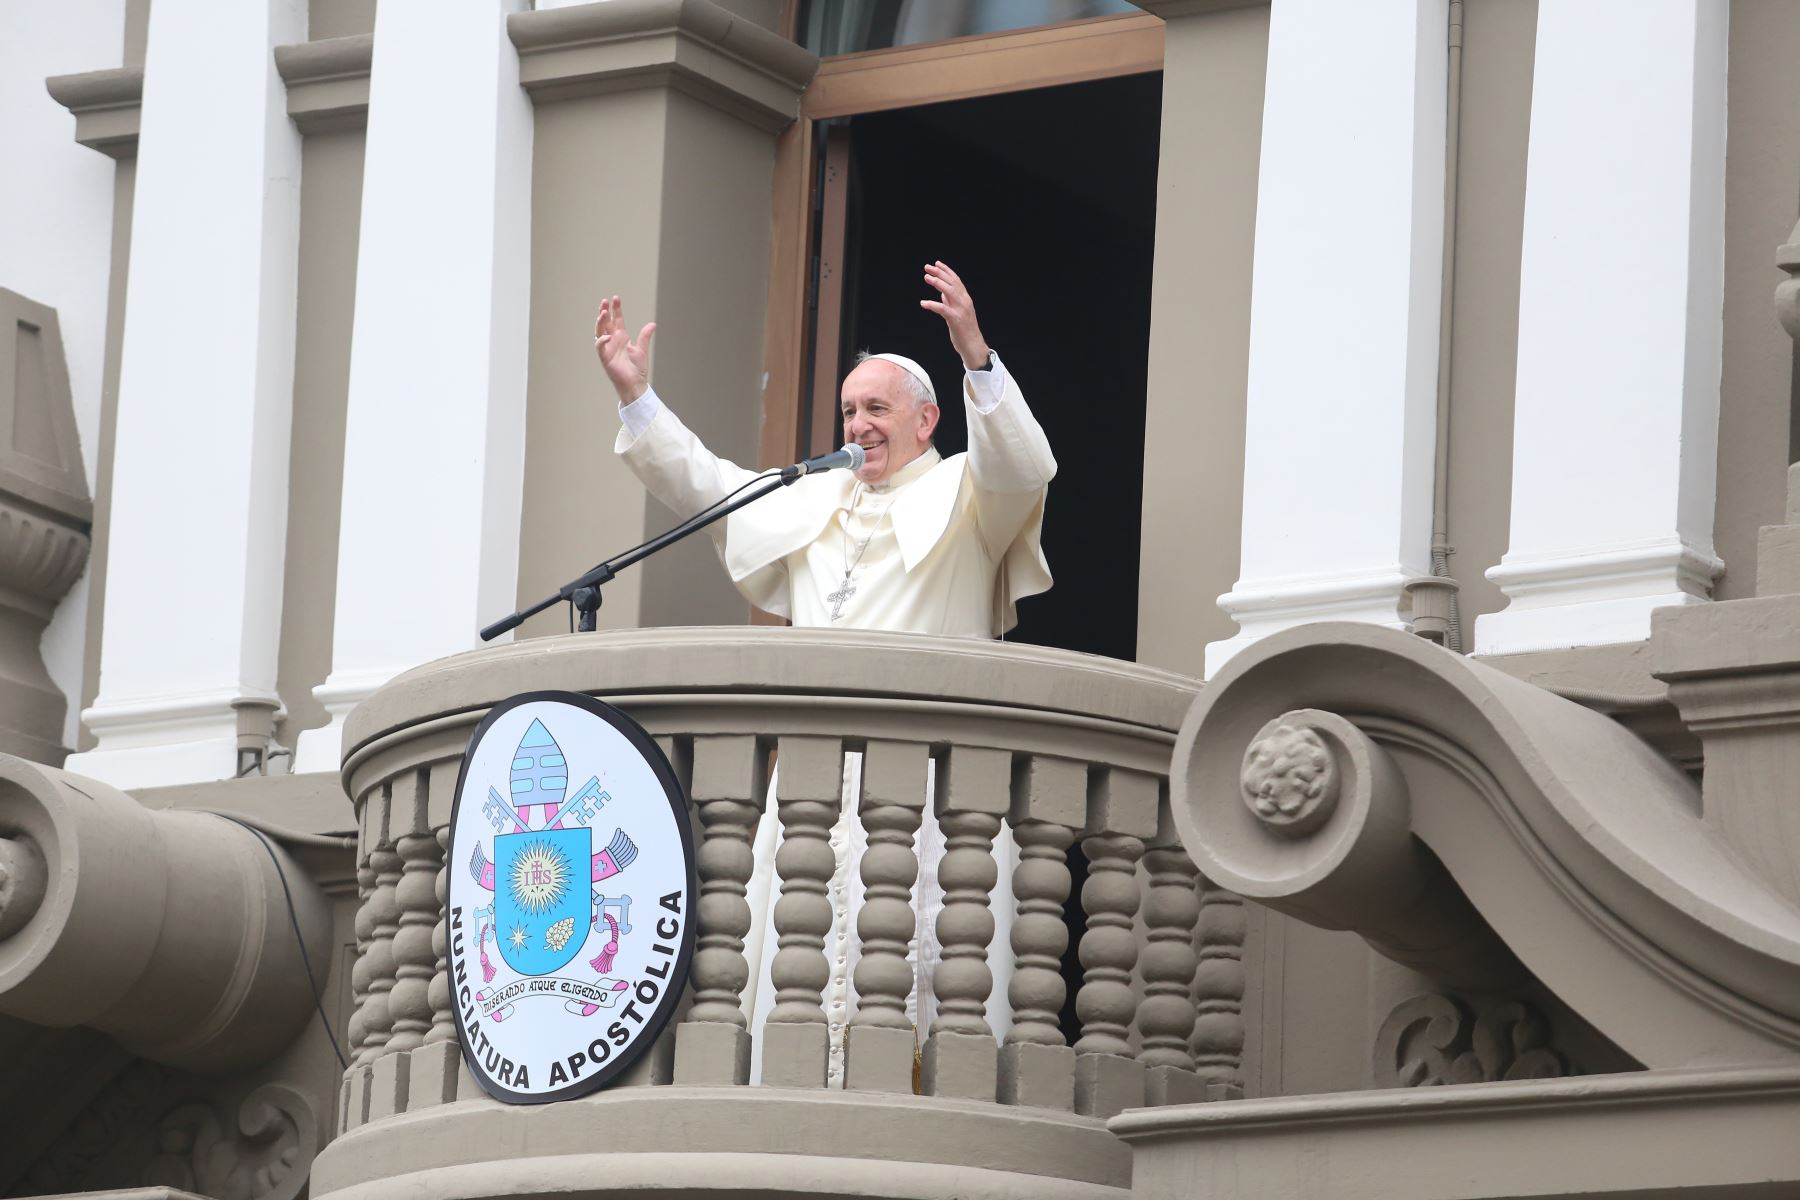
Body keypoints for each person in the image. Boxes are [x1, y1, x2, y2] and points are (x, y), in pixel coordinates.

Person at [594, 261, 1056, 1084]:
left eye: (877, 408)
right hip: (812, 788)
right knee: (797, 975)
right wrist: (637, 396)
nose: (859, 424)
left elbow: (1021, 467)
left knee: (920, 975)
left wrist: (976, 356)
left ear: (927, 419)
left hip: (929, 787)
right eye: (849, 410)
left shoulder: (968, 495)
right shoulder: (813, 499)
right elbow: (706, 483)